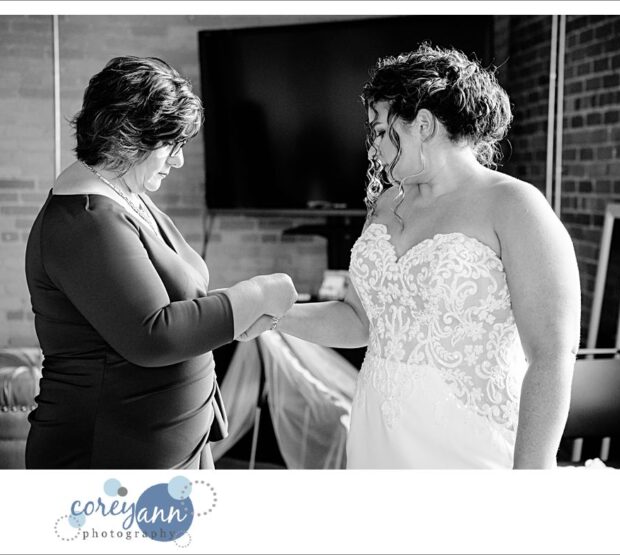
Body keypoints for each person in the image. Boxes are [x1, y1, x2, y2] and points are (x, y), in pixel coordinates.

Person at [245, 44, 581, 469]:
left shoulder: (515, 206)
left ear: (422, 125)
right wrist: (270, 316)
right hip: (375, 432)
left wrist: (529, 478)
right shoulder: (385, 206)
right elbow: (361, 320)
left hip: (468, 443)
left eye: (383, 131)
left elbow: (552, 354)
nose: (375, 148)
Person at [24, 56, 297, 469]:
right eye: (172, 144)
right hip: (111, 452)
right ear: (126, 135)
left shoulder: (124, 193)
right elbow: (153, 334)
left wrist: (236, 316)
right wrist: (255, 294)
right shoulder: (85, 221)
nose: (179, 160)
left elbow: (177, 302)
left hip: (169, 438)